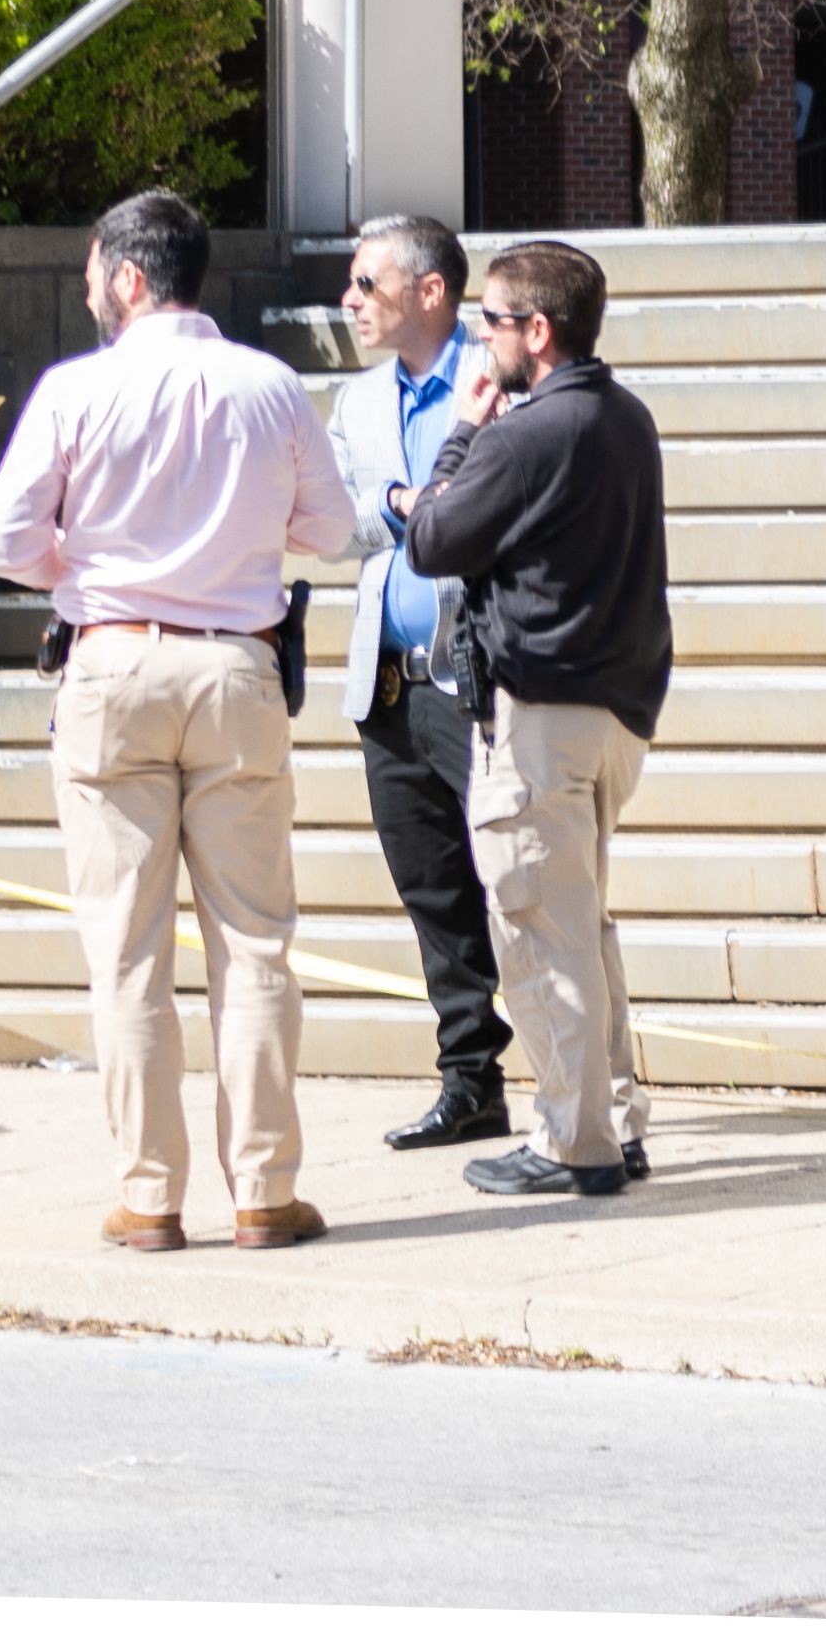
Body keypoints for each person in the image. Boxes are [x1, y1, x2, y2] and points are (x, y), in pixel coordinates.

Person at [0, 184, 356, 1255]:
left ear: (130, 278)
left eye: (94, 271)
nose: (87, 287)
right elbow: (330, 528)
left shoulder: (71, 389)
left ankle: (148, 1196)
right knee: (257, 943)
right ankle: (264, 1190)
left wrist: (80, 572)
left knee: (127, 952)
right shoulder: (270, 384)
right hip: (236, 667)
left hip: (108, 661)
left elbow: (2, 541)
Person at [406, 237, 669, 1203]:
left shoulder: (523, 435)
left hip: (540, 718)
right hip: (616, 710)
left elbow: (432, 536)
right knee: (583, 925)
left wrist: (461, 435)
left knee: (538, 931)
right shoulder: (625, 418)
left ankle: (574, 1140)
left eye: (493, 322)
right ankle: (615, 1122)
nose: (483, 341)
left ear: (539, 331)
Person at [318, 213, 511, 1154]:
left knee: (517, 882)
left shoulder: (494, 375)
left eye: (366, 284)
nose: (350, 301)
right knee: (431, 889)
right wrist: (395, 510)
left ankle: (580, 1091)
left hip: (479, 678)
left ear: (429, 291)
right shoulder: (355, 404)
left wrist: (429, 510)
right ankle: (470, 1078)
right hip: (388, 683)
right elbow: (328, 518)